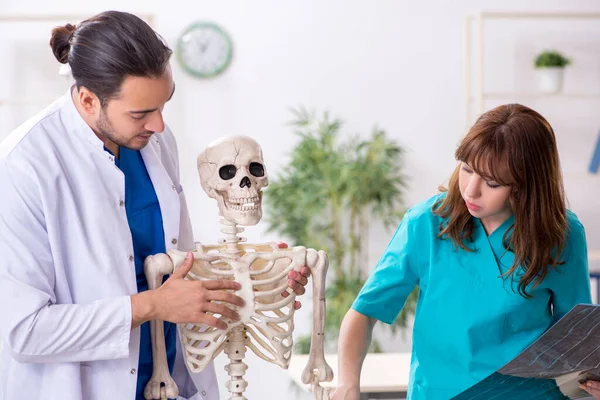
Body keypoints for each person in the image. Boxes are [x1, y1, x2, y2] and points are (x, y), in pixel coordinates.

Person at [0, 11, 310, 400]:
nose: (159, 125)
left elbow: (176, 264)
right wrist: (151, 306)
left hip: (170, 382)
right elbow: (24, 331)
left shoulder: (154, 143)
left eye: (164, 105)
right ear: (87, 98)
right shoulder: (24, 166)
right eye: (141, 113)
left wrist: (257, 277)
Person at [332, 104, 596, 400]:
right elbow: (364, 312)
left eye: (492, 182)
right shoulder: (426, 223)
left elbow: (578, 337)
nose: (471, 190)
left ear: (527, 185)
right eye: (467, 169)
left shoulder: (562, 233)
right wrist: (348, 383)